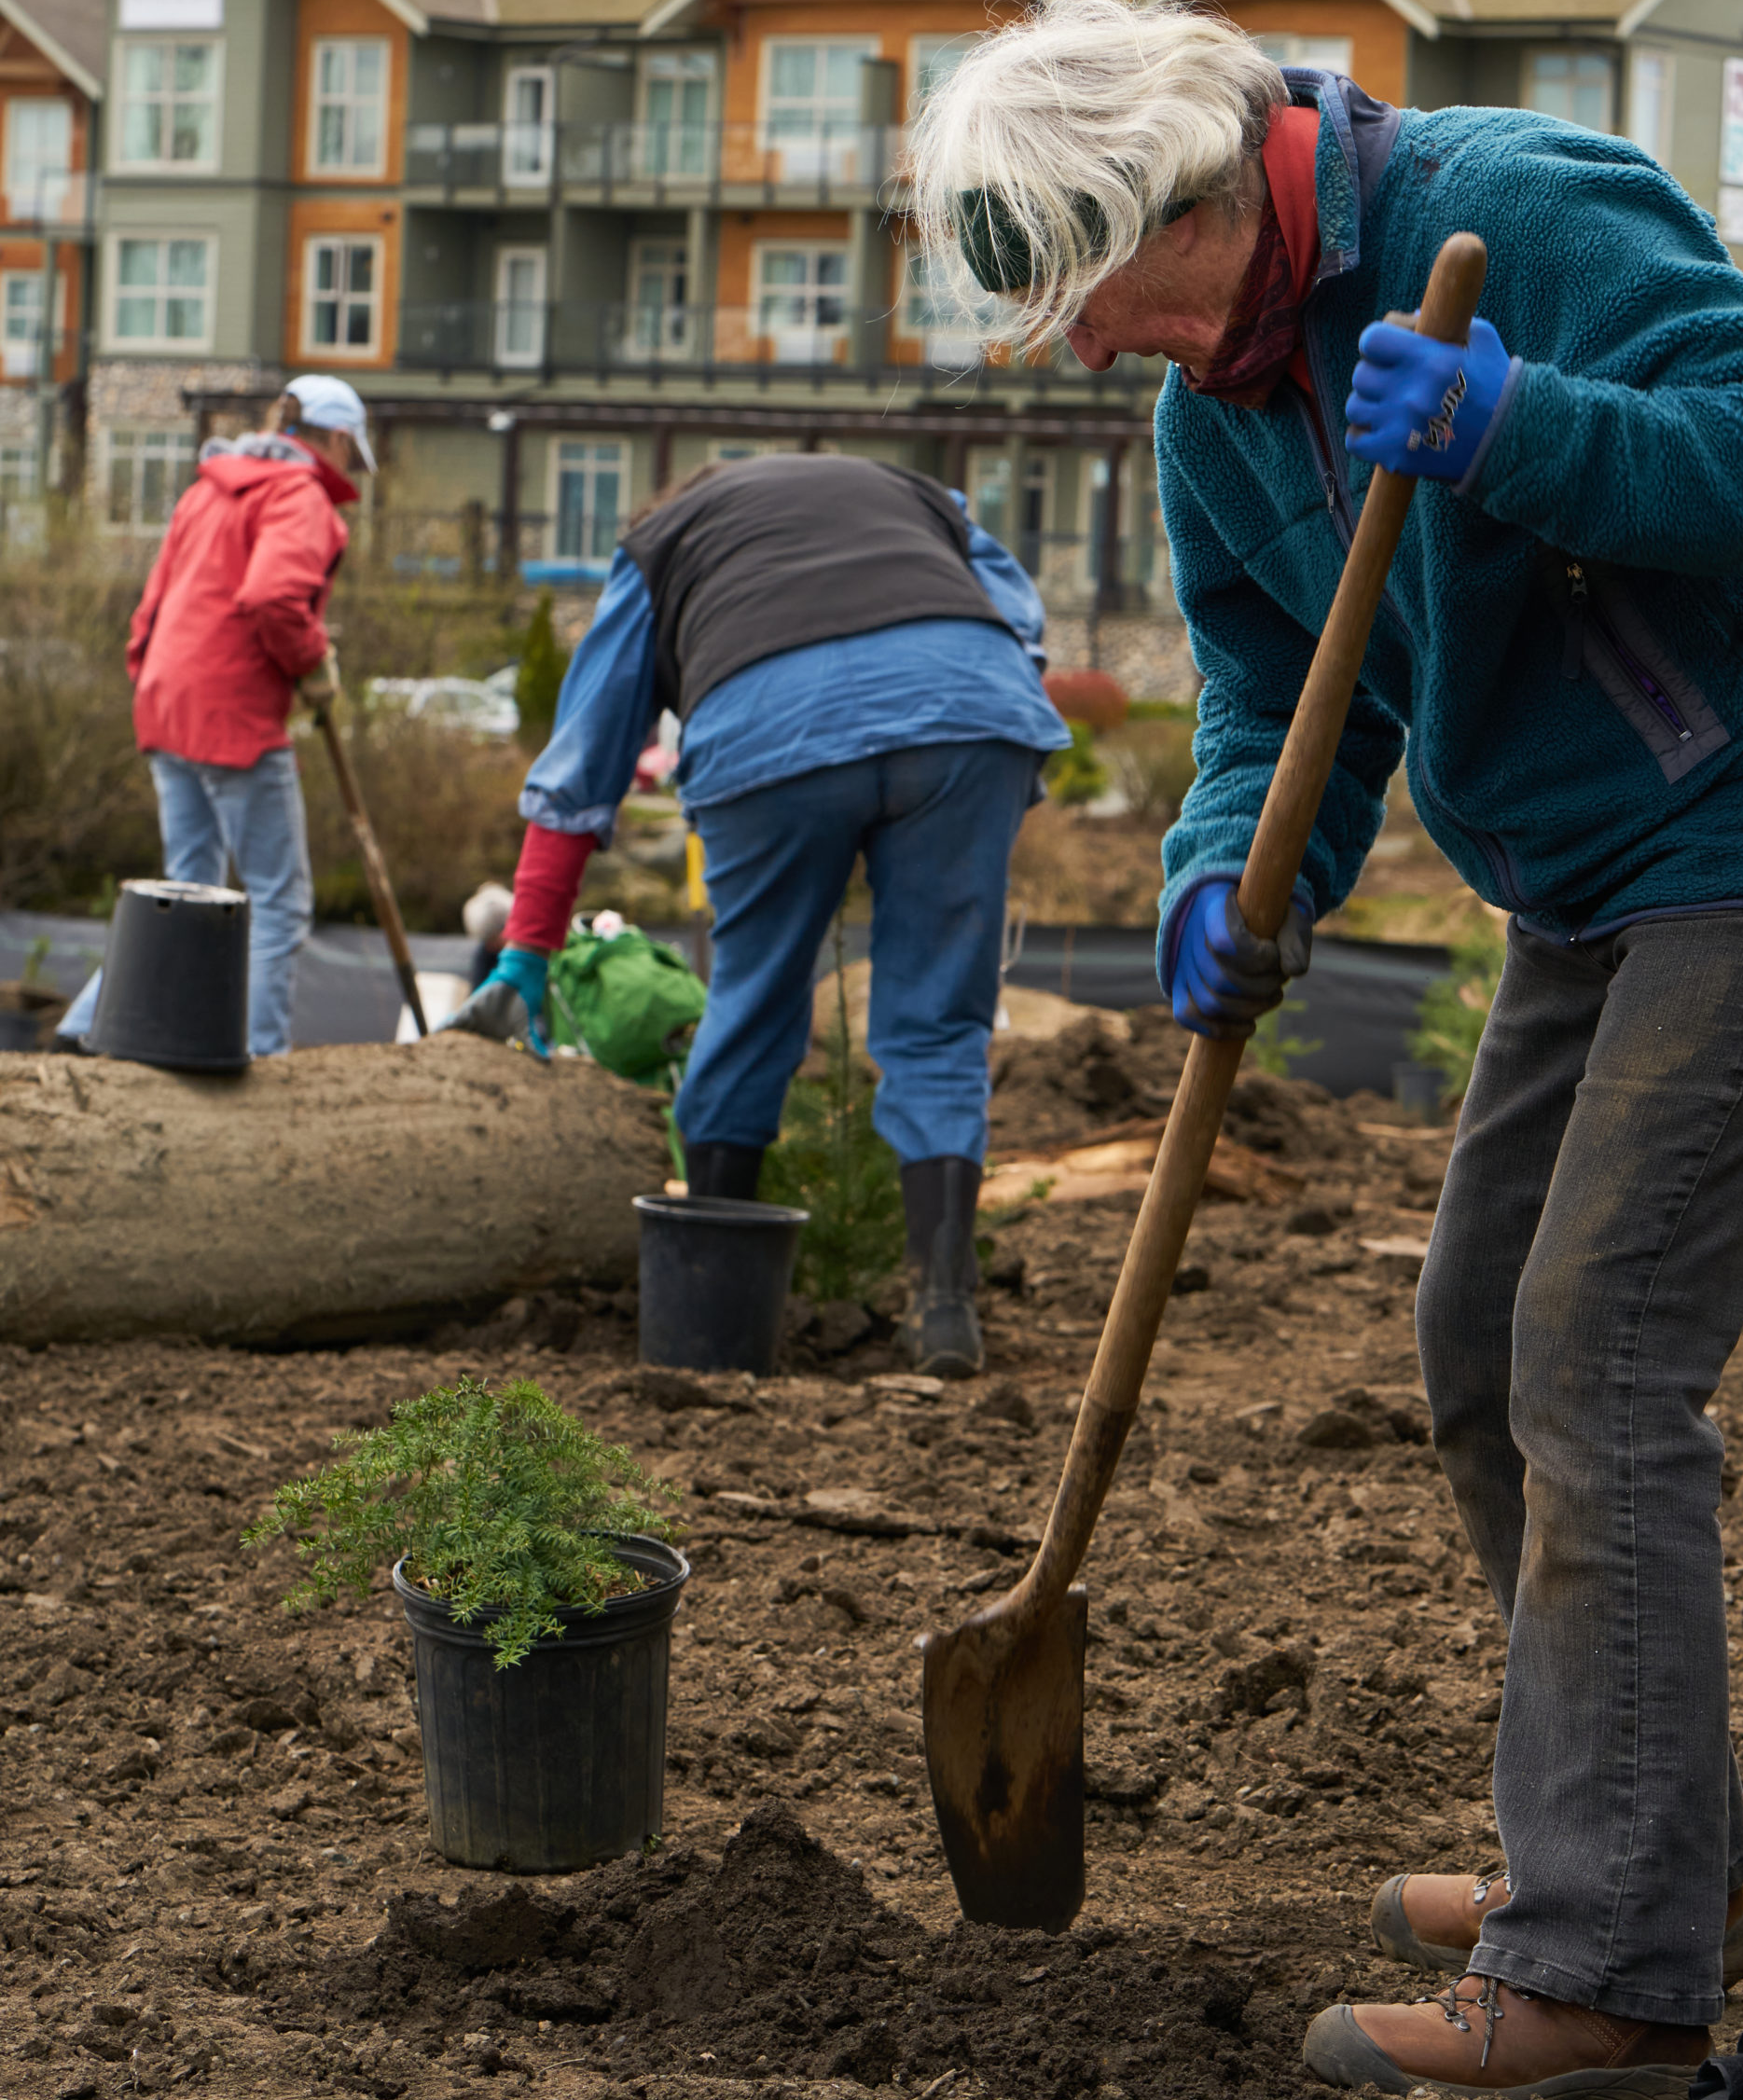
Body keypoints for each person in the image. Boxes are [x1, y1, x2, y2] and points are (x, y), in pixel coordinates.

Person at [912, 0, 1743, 2100]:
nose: (1087, 347)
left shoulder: (1502, 213)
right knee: (1476, 1335)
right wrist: (1225, 873)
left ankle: (1610, 1976)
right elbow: (1262, 689)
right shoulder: (1218, 408)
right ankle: (1631, 1851)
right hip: (1586, 875)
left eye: (1085, 292)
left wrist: (1520, 424)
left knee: (1591, 1351)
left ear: (1174, 201)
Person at [442, 453, 1068, 1378]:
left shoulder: (661, 544)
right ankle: (944, 1309)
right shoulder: (913, 494)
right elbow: (1016, 617)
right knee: (938, 1024)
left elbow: (582, 766)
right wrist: (965, 709)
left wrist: (526, 953)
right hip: (967, 710)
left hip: (775, 726)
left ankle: (716, 1320)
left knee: (754, 1002)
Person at [57, 374, 369, 1058]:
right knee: (277, 905)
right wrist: (311, 661)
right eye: (353, 454)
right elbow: (273, 597)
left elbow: (154, 601)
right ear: (339, 440)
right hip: (233, 718)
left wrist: (152, 680)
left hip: (168, 704)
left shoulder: (210, 486)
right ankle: (257, 1058)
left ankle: (87, 1028)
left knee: (181, 894)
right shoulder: (300, 497)